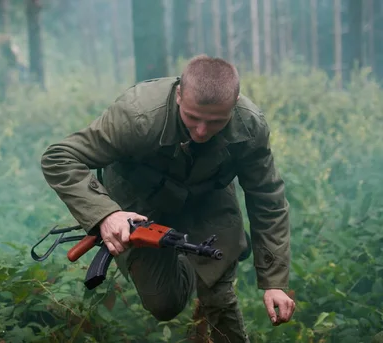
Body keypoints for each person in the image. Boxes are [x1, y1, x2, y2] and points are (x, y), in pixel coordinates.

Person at [40, 55, 295, 342]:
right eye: (193, 118)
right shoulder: (137, 115)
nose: (201, 131)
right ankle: (189, 263)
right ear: (178, 96)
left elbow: (267, 199)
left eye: (215, 122)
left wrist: (274, 282)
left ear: (234, 105)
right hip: (138, 203)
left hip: (207, 196)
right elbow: (59, 157)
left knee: (218, 292)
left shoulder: (250, 125)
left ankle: (208, 281)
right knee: (164, 304)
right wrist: (105, 214)